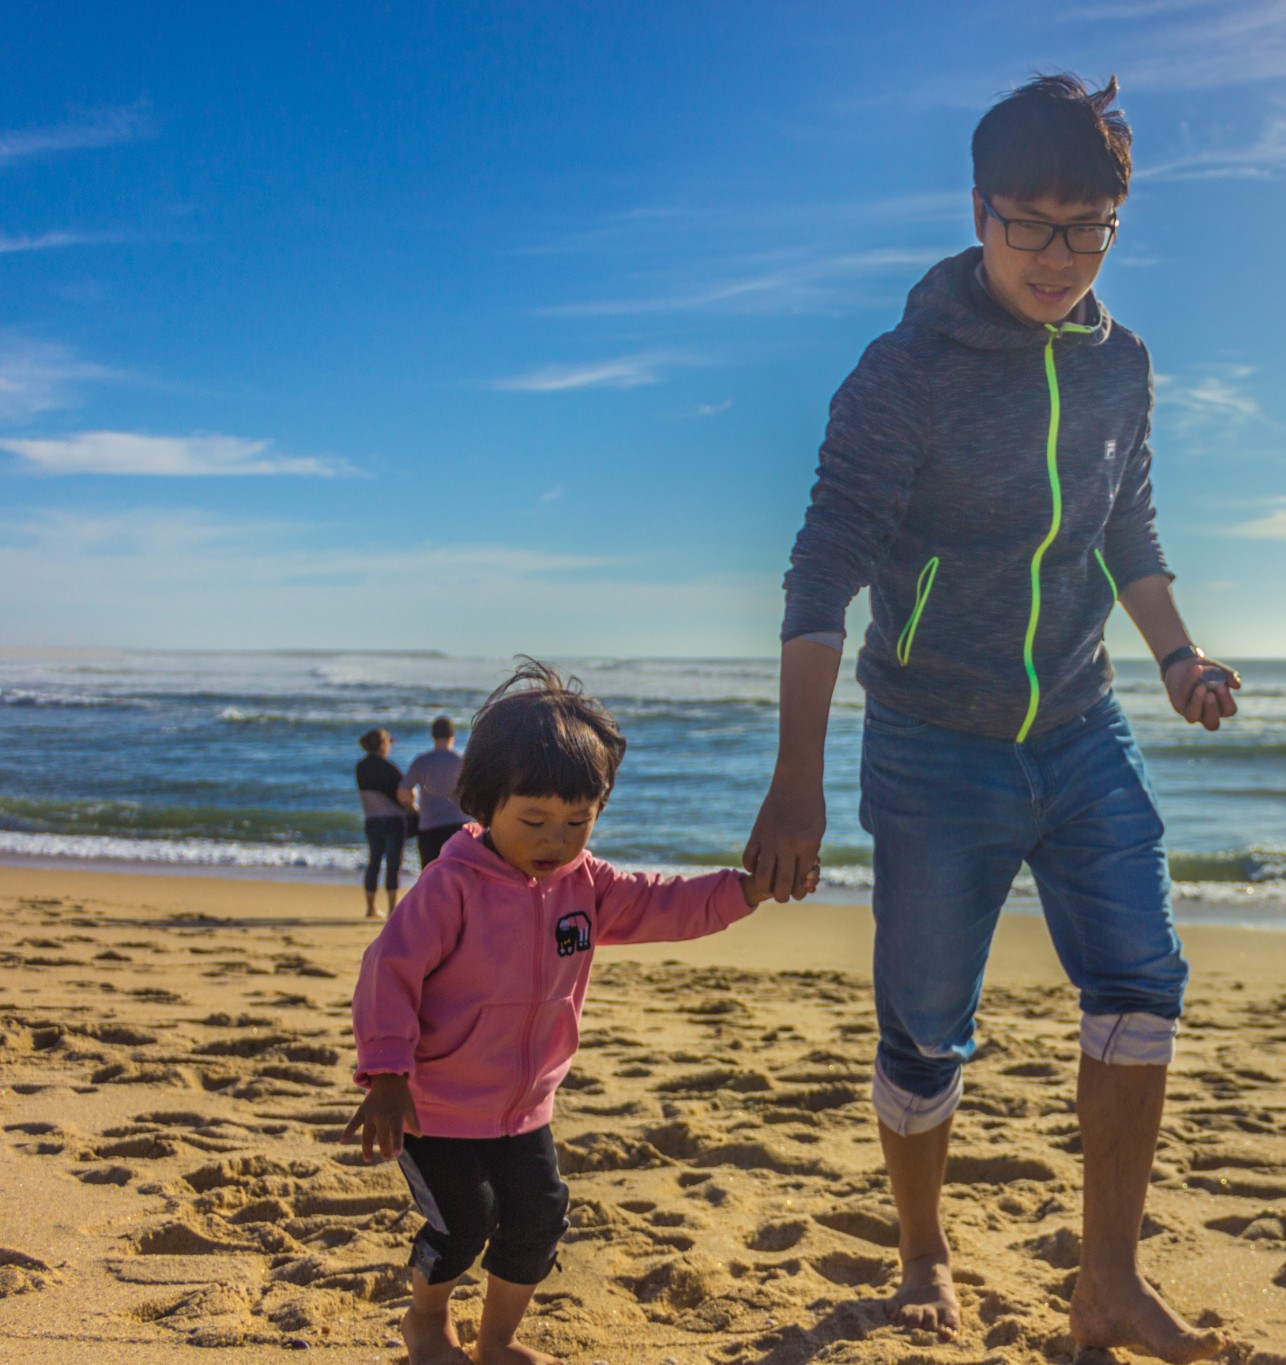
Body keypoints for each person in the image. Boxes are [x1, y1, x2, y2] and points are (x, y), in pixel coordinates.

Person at [748, 74, 1238, 1363]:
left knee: (1141, 979)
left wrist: (1180, 660)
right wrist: (795, 782)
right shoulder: (900, 376)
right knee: (921, 1025)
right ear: (978, 212)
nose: (1056, 258)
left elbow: (1125, 529)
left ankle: (1109, 1287)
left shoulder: (1122, 365)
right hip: (929, 746)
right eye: (1029, 224)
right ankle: (922, 1255)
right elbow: (822, 573)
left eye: (1087, 229)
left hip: (1081, 725)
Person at [345, 660, 788, 1365]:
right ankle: (427, 1320)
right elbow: (386, 972)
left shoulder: (589, 885)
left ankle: (498, 1342)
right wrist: (388, 1074)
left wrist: (747, 890)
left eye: (578, 821)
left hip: (525, 1106)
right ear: (485, 804)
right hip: (436, 1103)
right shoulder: (450, 885)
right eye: (535, 820)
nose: (556, 839)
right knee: (463, 1223)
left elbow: (666, 903)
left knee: (538, 1218)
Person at [356, 728, 410, 919]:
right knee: (393, 863)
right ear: (382, 745)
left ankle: (370, 908)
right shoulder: (390, 768)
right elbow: (403, 797)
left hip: (371, 820)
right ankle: (392, 909)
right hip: (393, 820)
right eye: (388, 743)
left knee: (374, 862)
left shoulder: (360, 768)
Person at [401, 716, 466, 866]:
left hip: (429, 825)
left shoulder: (421, 761)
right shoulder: (461, 760)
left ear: (433, 736)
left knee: (431, 875)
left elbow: (403, 792)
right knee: (457, 875)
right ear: (452, 735)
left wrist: (413, 807)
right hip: (458, 824)